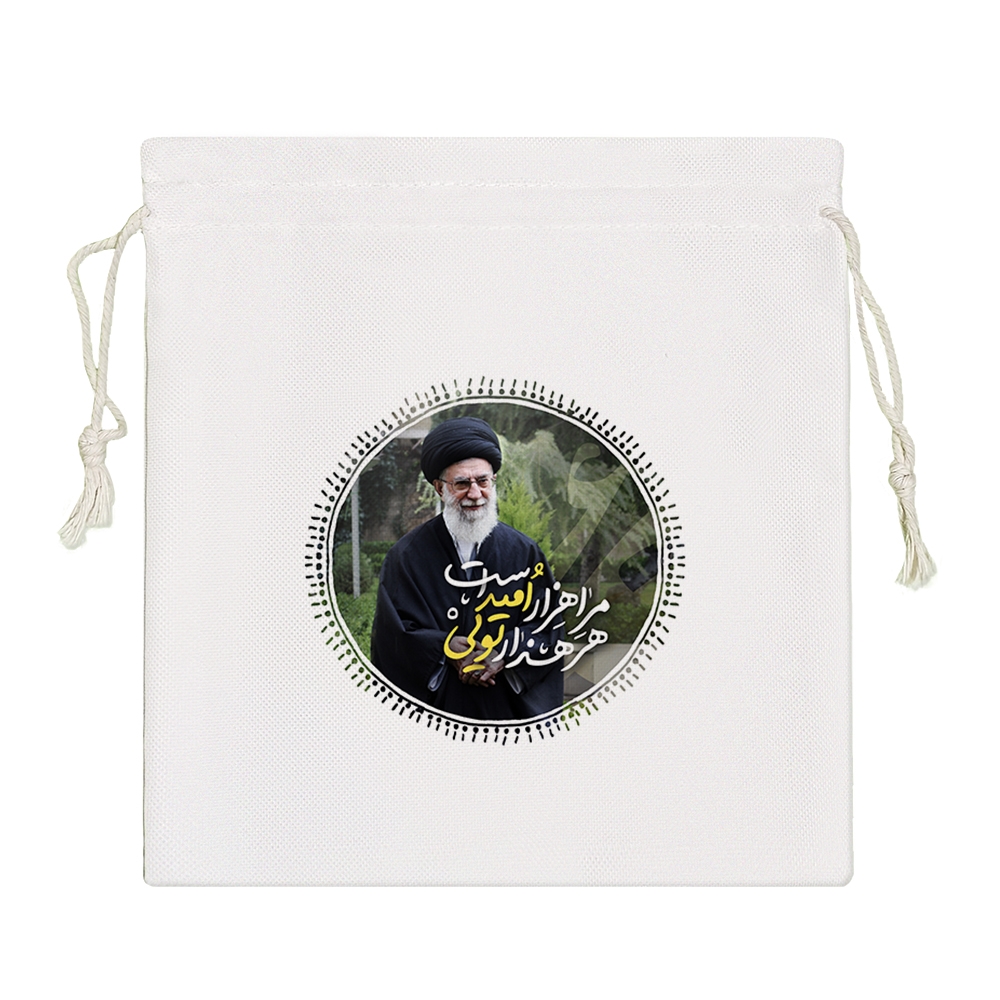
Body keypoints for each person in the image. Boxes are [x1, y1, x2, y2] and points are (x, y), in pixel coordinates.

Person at [370, 416, 565, 721]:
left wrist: (504, 654)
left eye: (482, 481)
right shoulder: (406, 557)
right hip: (435, 714)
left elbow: (548, 626)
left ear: (493, 481)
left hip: (505, 712)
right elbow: (392, 636)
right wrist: (445, 649)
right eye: (462, 483)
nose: (474, 494)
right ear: (440, 488)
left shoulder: (524, 552)